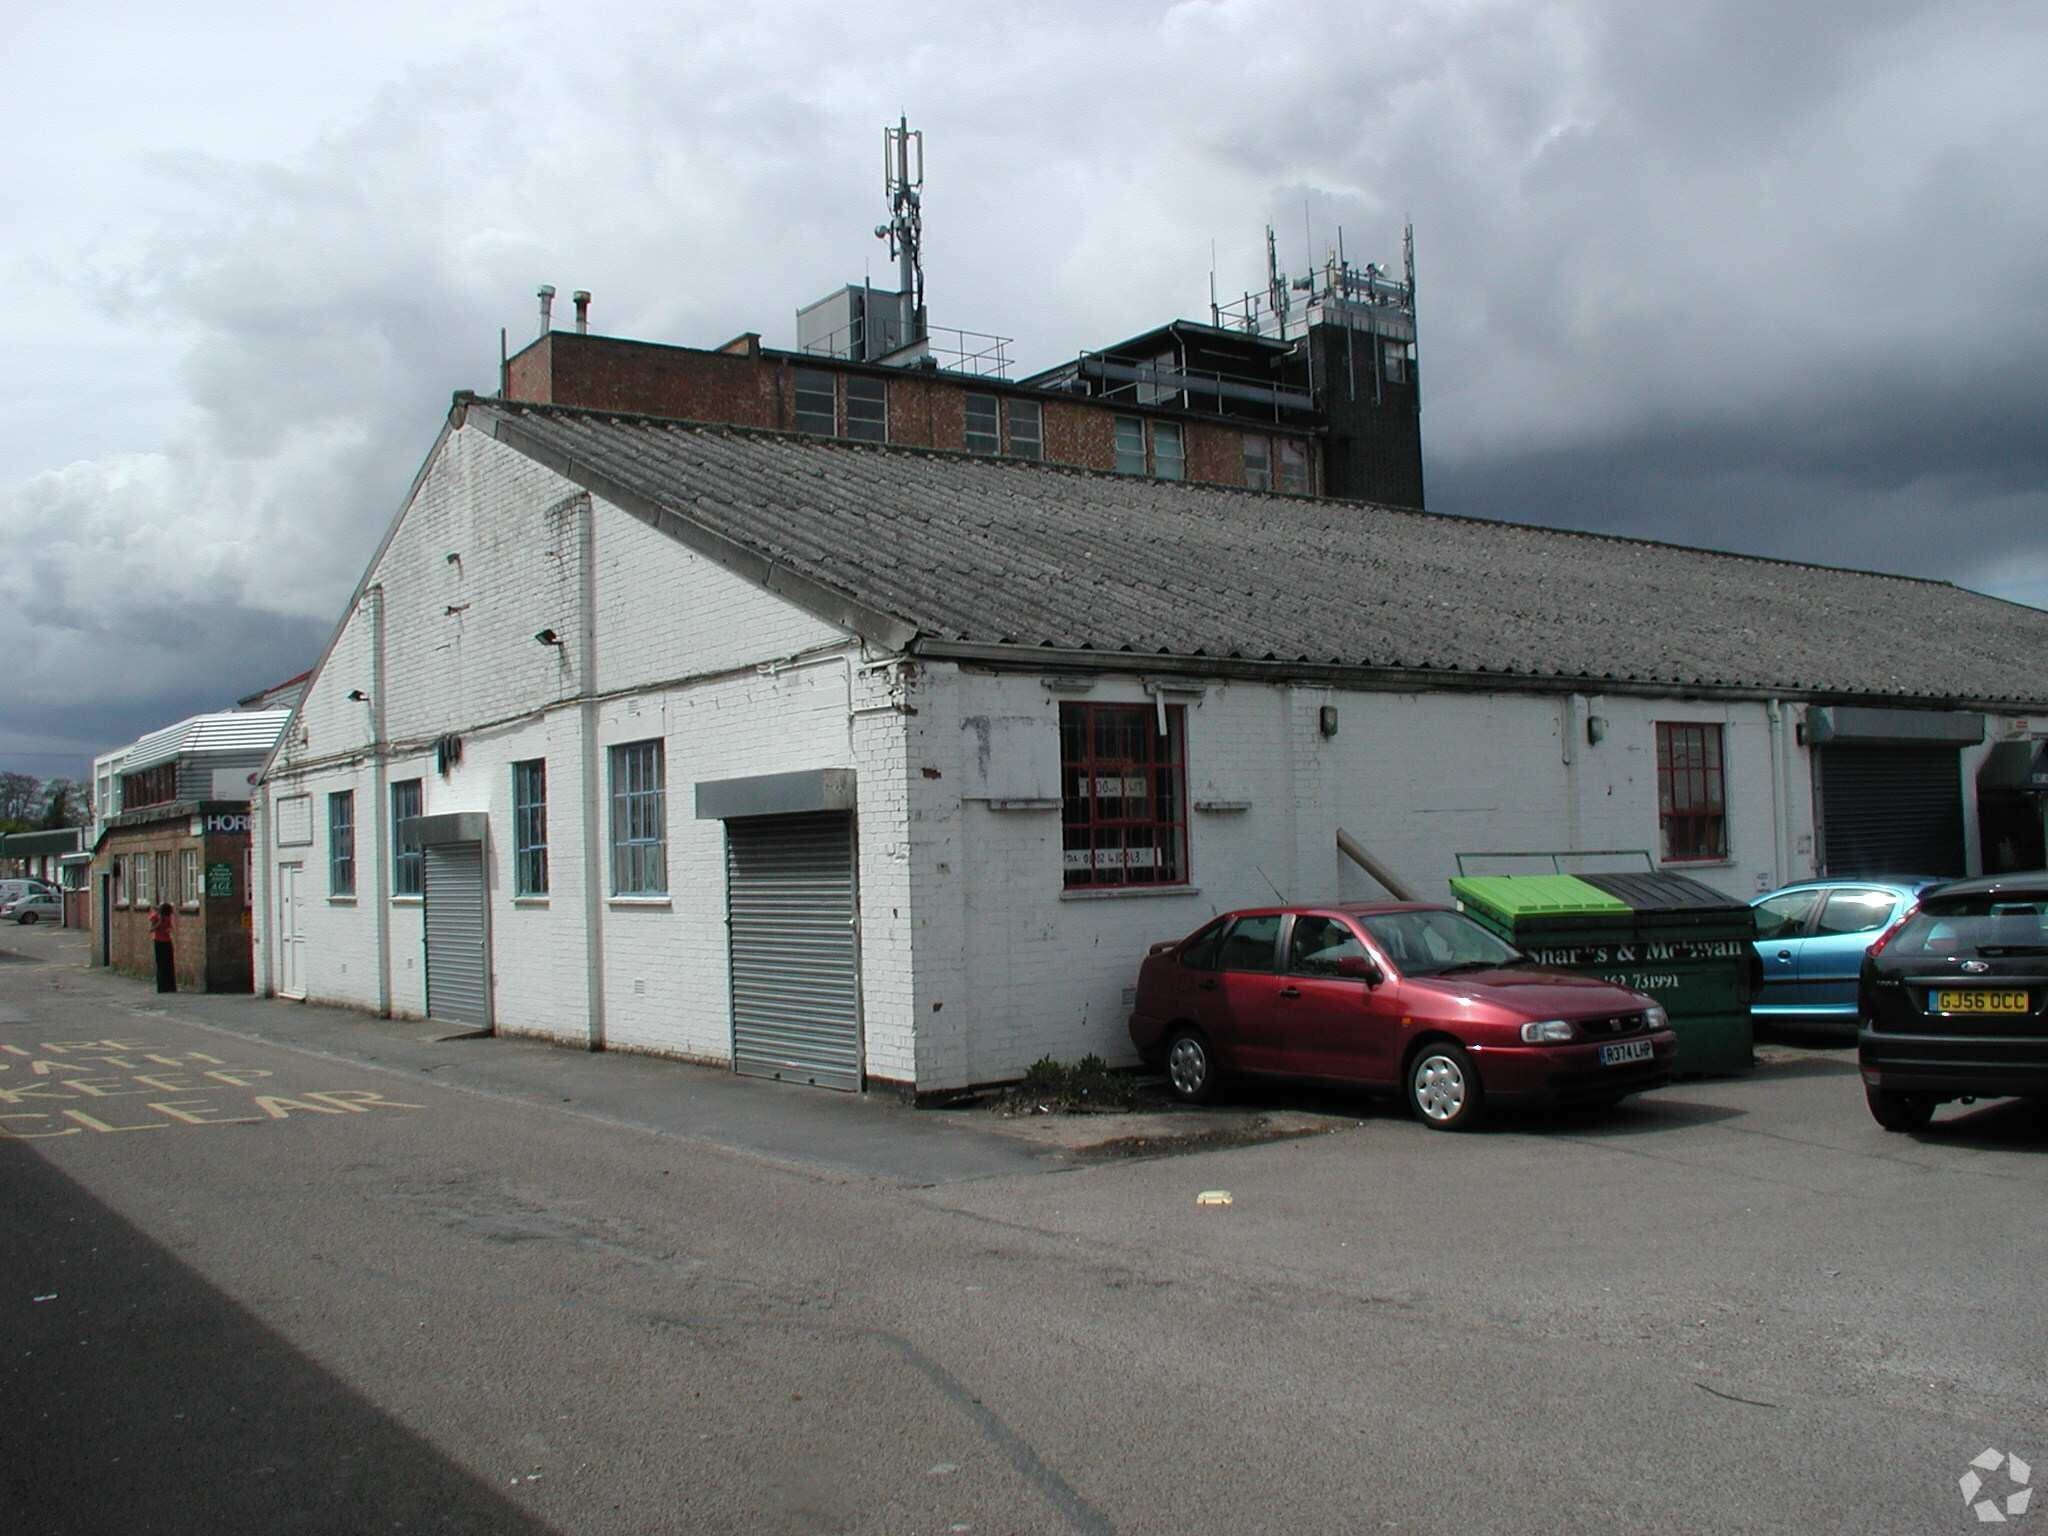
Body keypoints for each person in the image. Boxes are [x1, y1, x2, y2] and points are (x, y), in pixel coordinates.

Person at [149, 901, 176, 993]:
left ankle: (170, 986)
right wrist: (159, 922)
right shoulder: (155, 916)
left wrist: (169, 930)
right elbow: (151, 929)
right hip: (158, 941)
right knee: (161, 964)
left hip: (167, 941)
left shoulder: (168, 917)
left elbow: (170, 927)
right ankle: (162, 987)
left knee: (169, 964)